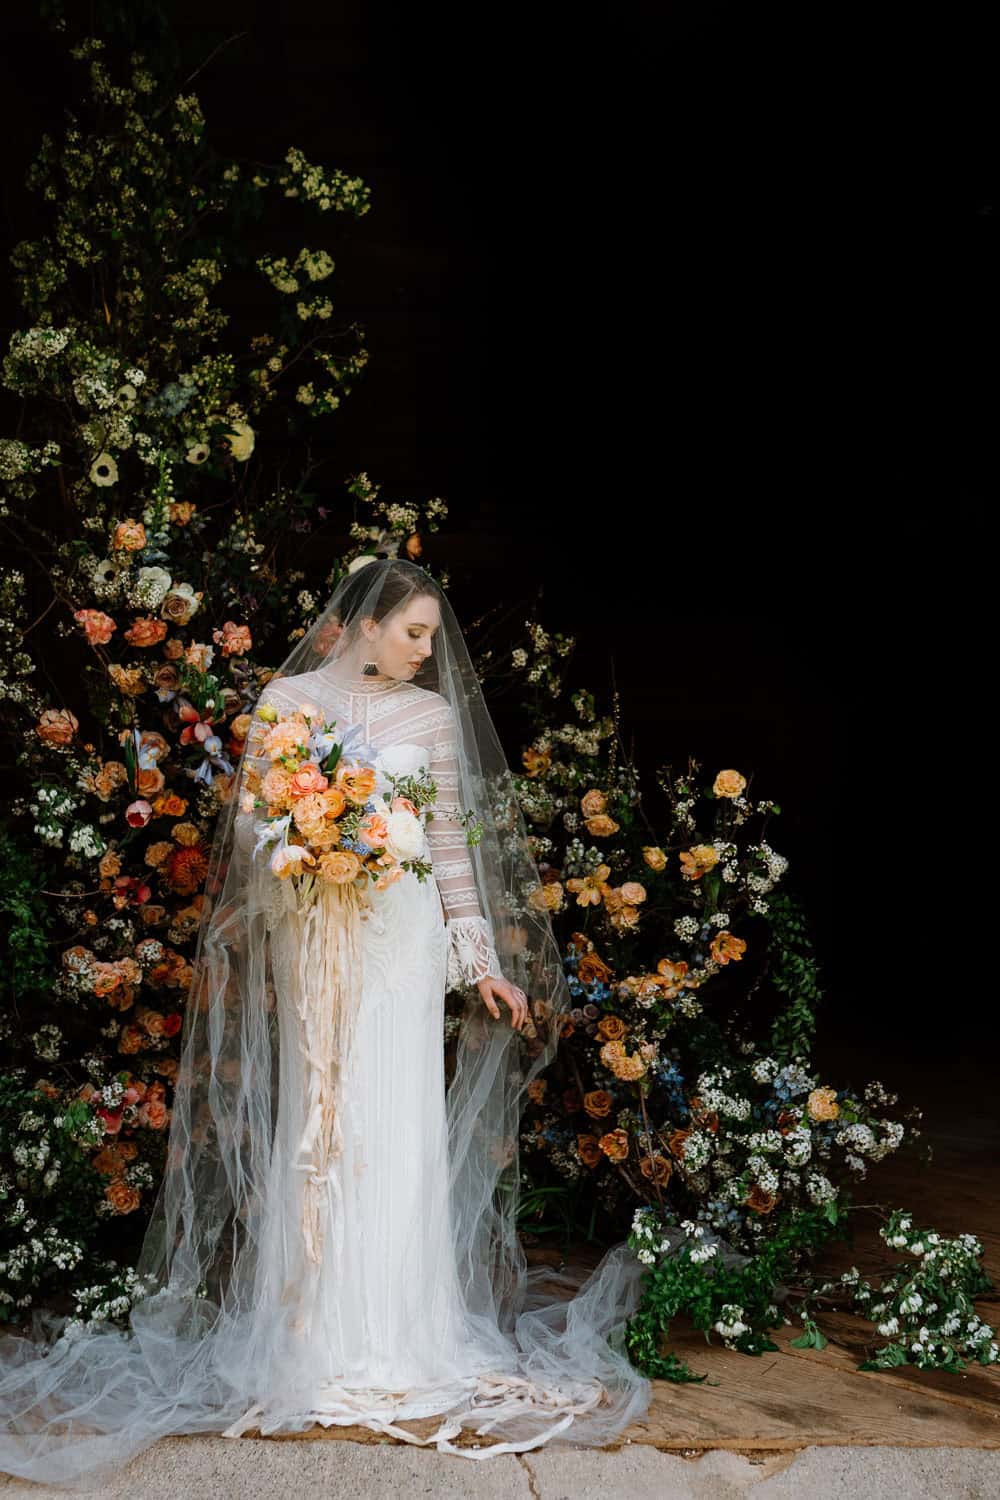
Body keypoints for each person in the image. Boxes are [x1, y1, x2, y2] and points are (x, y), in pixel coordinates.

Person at [0, 557, 652, 1487]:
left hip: (401, 951)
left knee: (397, 1128)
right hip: (318, 948)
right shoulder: (288, 700)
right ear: (366, 623)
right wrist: (308, 855)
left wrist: (481, 965)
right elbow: (252, 836)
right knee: (326, 1128)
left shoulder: (428, 720)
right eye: (415, 631)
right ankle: (313, 1338)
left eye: (432, 633)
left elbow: (451, 848)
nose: (431, 650)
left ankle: (399, 1336)